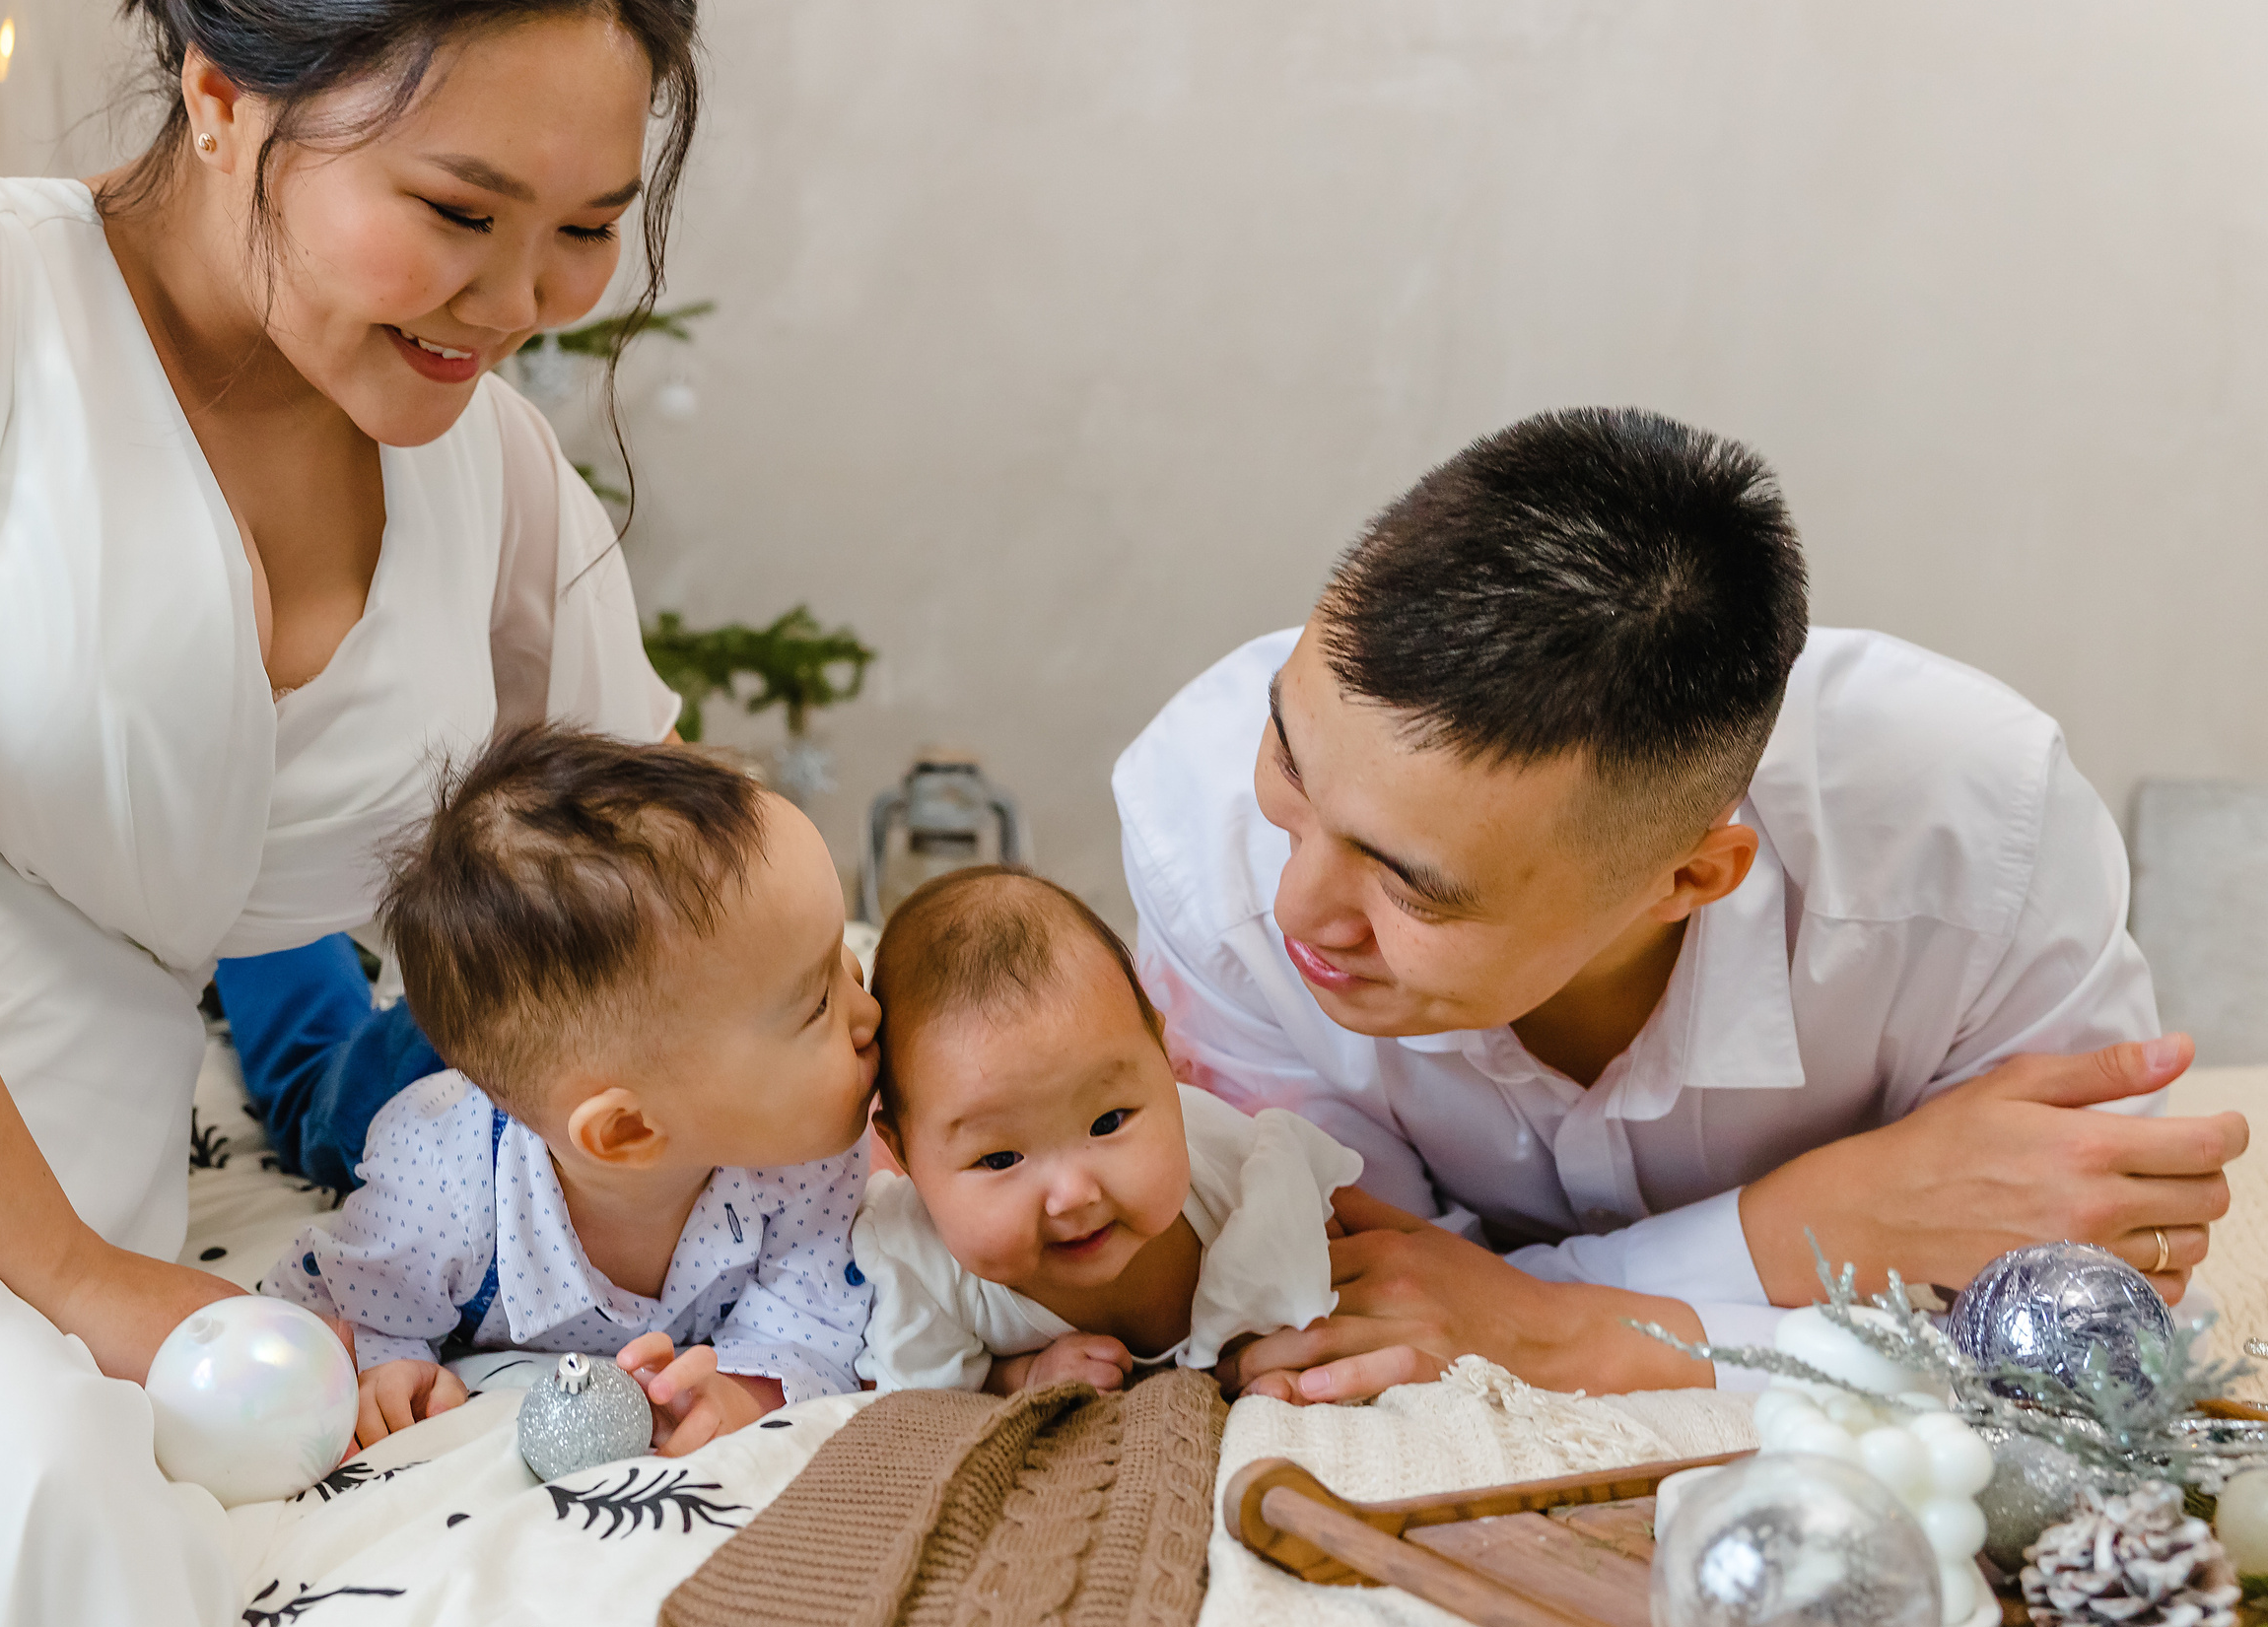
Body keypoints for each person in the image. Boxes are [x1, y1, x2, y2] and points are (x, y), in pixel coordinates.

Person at [0, 3, 702, 1627]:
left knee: (35, 1491)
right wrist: (75, 1273)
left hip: (80, 1152)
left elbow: (688, 889)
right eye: (460, 214)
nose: (522, 301)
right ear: (220, 98)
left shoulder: (496, 477)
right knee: (1, 1494)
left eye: (590, 231)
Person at [1113, 407, 2248, 1402]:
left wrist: (1580, 1324)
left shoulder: (1975, 844)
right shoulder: (1195, 831)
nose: (1297, 907)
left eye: (1408, 881)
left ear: (1690, 878)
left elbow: (2082, 1344)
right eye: (1292, 768)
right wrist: (1821, 1234)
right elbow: (1335, 1296)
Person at [265, 727, 880, 1453]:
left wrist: (742, 1388)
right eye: (817, 1003)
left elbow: (809, 1317)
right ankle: (271, 931)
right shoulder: (438, 1193)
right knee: (310, 1080)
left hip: (537, 1067)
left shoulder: (802, 1151)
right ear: (628, 1131)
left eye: (845, 959)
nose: (868, 1011)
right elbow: (348, 1302)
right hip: (402, 1084)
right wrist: (387, 1367)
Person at [851, 865, 1362, 1394]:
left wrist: (1291, 1334)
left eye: (1108, 1123)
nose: (1072, 1195)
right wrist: (1024, 1376)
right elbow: (924, 1397)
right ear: (905, 1154)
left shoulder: (1234, 1164)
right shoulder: (922, 1267)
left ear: (1163, 1064)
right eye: (1000, 1159)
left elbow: (1332, 1237)